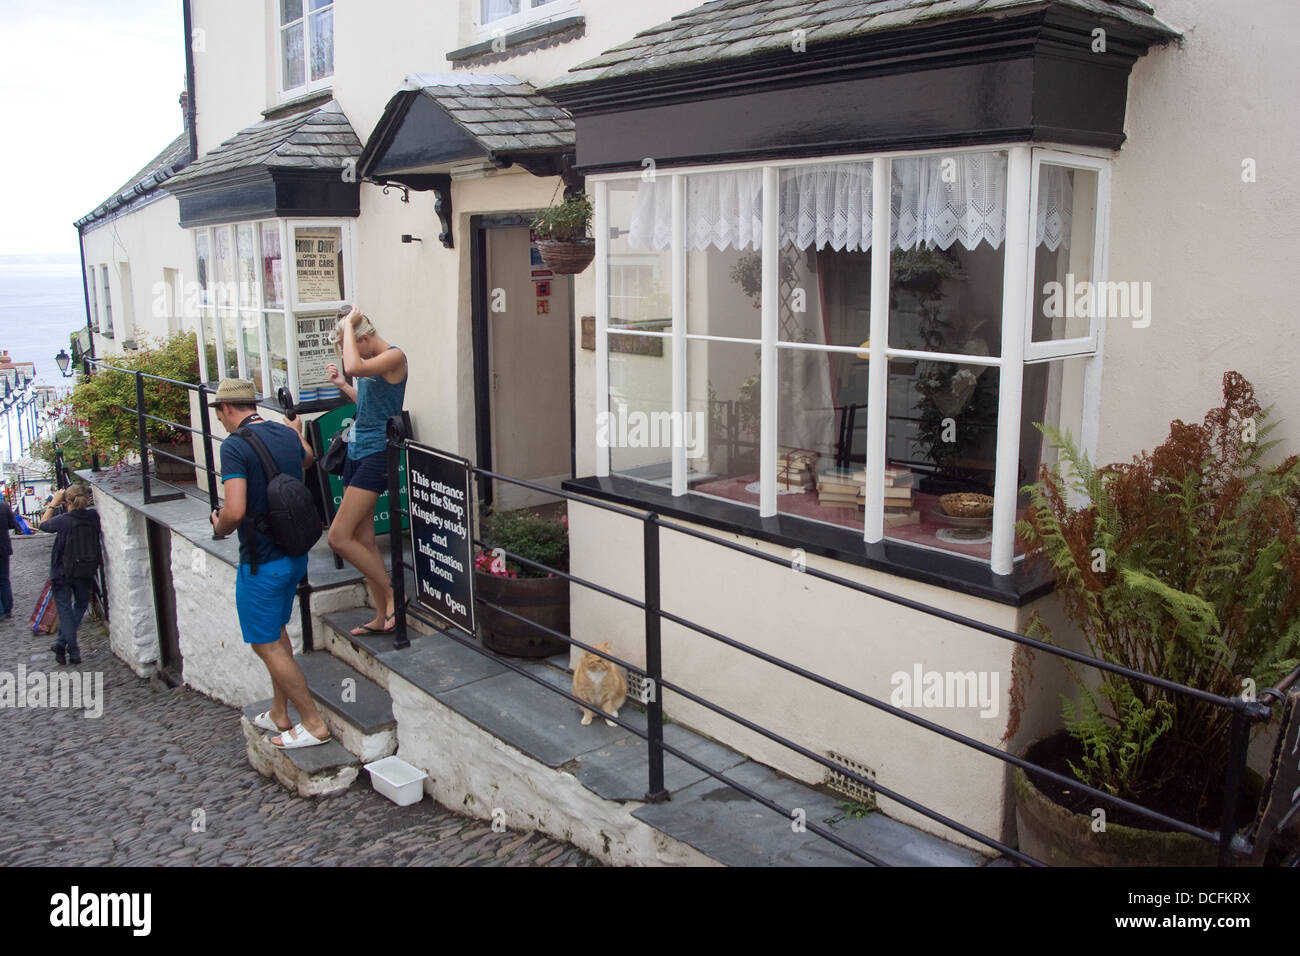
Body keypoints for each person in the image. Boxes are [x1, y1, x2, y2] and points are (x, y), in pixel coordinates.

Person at [209, 378, 332, 749]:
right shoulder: (285, 434)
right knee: (277, 635)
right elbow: (308, 459)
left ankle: (313, 723)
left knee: (266, 644)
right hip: (295, 556)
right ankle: (280, 713)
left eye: (219, 414)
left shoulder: (233, 447)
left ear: (227, 409)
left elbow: (235, 509)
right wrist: (297, 433)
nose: (219, 421)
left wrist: (220, 527)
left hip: (262, 562)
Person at [326, 306, 407, 636]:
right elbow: (367, 402)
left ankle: (392, 594)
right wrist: (343, 385)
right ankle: (379, 615)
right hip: (357, 451)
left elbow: (354, 365)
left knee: (337, 536)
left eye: (350, 343)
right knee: (363, 539)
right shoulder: (368, 363)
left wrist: (346, 325)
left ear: (365, 337)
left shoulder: (394, 356)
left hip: (376, 455)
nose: (348, 356)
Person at [38, 484, 100, 664]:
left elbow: (42, 525)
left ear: (67, 502)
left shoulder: (64, 520)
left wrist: (52, 504)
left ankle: (73, 651)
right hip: (85, 569)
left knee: (64, 610)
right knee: (80, 605)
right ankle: (61, 643)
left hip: (62, 571)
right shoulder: (93, 516)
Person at [0, 492, 21, 619]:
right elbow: (13, 525)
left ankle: (1, 610)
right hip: (3, 547)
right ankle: (8, 609)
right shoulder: (4, 507)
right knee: (4, 578)